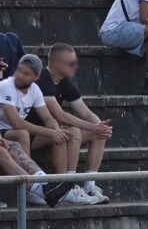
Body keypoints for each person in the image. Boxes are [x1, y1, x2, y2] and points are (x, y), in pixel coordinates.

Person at [0, 54, 97, 205]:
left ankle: (61, 184)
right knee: (22, 134)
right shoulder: (6, 86)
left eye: (25, 73)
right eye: (19, 71)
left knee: (65, 133)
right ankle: (35, 188)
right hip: (5, 130)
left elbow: (48, 119)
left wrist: (56, 131)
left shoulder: (35, 90)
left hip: (11, 136)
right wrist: (51, 132)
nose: (20, 76)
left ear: (36, 76)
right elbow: (17, 123)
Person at [36, 44, 113, 202]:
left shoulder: (63, 83)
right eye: (71, 63)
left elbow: (86, 113)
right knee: (73, 131)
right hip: (34, 134)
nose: (76, 66)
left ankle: (89, 187)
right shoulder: (42, 78)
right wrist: (93, 127)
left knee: (98, 135)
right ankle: (67, 186)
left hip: (51, 132)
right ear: (57, 64)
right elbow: (60, 115)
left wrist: (101, 127)